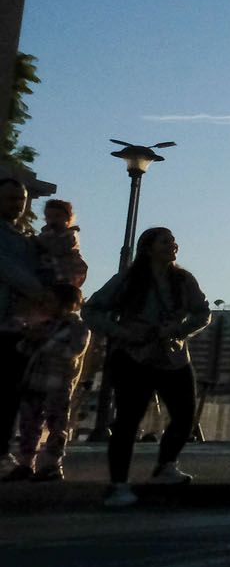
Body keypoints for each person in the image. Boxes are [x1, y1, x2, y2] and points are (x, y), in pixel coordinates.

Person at [85, 227, 210, 507]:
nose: (172, 245)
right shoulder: (128, 279)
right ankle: (119, 484)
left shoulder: (183, 279)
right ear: (148, 247)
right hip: (133, 357)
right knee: (128, 420)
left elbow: (203, 312)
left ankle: (166, 466)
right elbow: (91, 309)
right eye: (165, 241)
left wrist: (180, 330)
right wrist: (122, 333)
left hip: (173, 356)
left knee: (185, 414)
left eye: (174, 241)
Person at [7, 283, 89, 481]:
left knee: (56, 424)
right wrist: (30, 337)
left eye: (51, 301)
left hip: (58, 383)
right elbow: (23, 349)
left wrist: (45, 342)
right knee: (29, 424)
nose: (46, 305)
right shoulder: (43, 325)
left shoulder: (77, 326)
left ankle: (52, 464)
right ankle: (26, 463)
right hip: (34, 381)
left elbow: (73, 351)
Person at [0, 179, 49, 448]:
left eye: (21, 199)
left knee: (11, 390)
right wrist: (40, 291)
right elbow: (7, 268)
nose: (17, 204)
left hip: (19, 327)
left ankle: (3, 447)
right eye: (11, 198)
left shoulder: (28, 238)